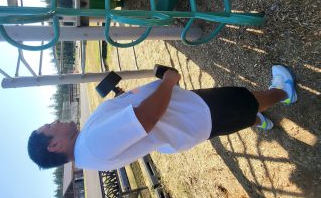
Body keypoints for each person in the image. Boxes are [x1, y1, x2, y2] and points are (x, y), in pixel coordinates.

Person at [27, 65, 297, 171]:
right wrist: (168, 82)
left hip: (189, 122)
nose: (56, 121)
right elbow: (144, 119)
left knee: (237, 116)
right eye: (50, 126)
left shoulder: (87, 152)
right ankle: (284, 91)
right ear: (53, 145)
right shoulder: (91, 144)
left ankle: (259, 120)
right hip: (193, 114)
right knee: (243, 101)